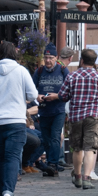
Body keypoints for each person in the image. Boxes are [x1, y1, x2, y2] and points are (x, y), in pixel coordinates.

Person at [0, 40, 40, 196]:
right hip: (15, 120)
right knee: (12, 157)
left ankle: (1, 195)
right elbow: (33, 94)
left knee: (0, 157)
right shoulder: (21, 71)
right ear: (14, 54)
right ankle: (8, 192)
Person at [62, 48, 98, 189]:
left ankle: (77, 176)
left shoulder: (72, 76)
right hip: (92, 116)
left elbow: (63, 96)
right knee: (90, 148)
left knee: (77, 148)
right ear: (94, 62)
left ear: (82, 61)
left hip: (75, 116)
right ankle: (87, 178)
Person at [32, 45, 69, 175]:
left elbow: (69, 91)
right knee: (46, 138)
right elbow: (32, 89)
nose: (48, 60)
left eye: (51, 58)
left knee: (55, 137)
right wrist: (37, 96)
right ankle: (50, 164)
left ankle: (53, 164)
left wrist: (57, 96)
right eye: (46, 58)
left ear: (56, 58)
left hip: (58, 110)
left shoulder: (63, 70)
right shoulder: (39, 71)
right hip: (44, 110)